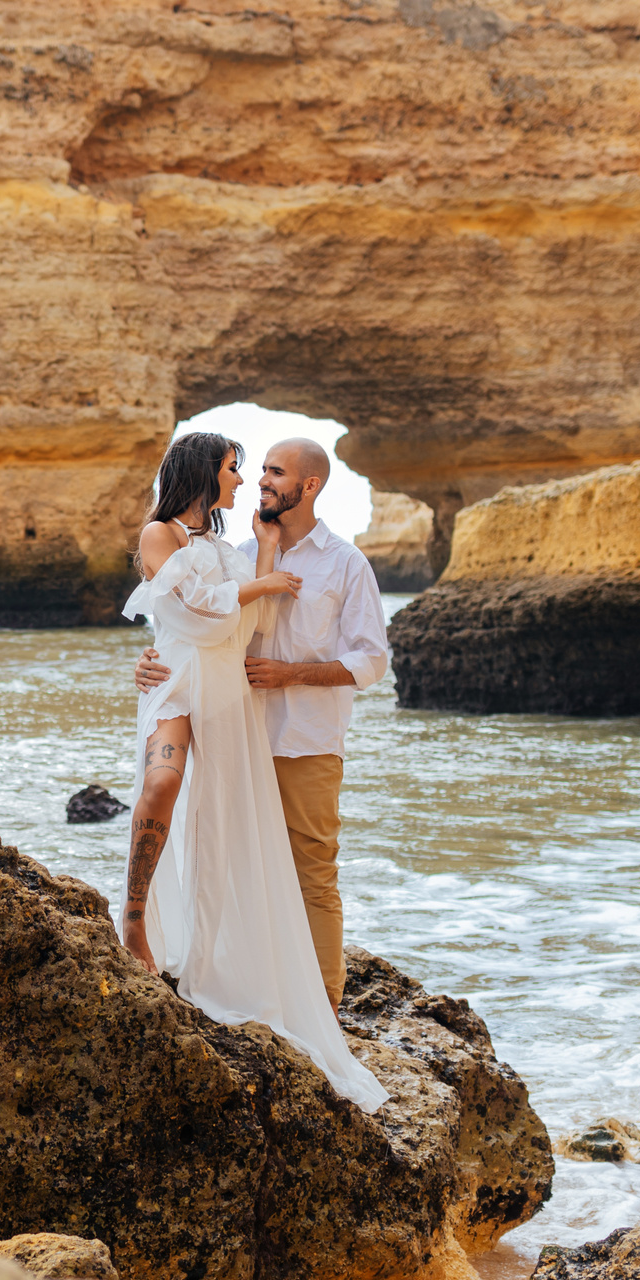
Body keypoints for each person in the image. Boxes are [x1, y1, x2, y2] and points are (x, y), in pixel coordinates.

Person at [119, 431, 387, 1112]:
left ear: (310, 484)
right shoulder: (233, 551)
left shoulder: (346, 564)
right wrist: (154, 662)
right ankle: (210, 961)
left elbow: (370, 660)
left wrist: (291, 672)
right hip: (231, 726)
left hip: (302, 739)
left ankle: (322, 1004)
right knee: (229, 852)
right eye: (252, 469)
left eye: (273, 472)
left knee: (310, 870)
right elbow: (193, 618)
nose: (259, 481)